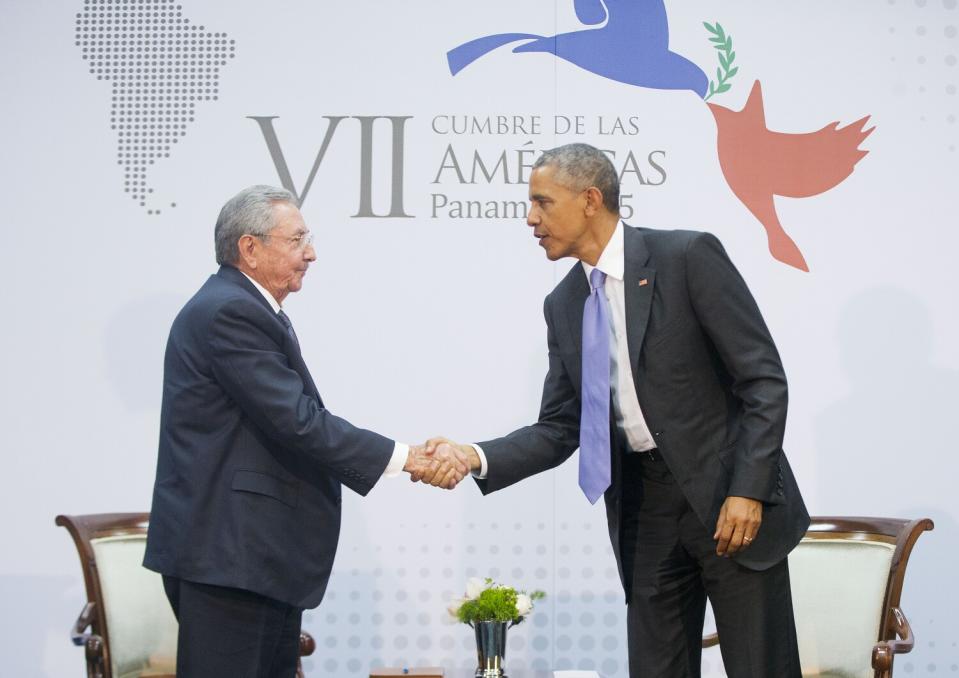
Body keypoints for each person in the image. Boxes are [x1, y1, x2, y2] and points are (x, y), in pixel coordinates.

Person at [422, 144, 810, 677]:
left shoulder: (687, 257)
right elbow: (560, 427)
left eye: (541, 202)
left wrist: (748, 489)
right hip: (643, 511)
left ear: (590, 199)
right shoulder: (563, 304)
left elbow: (763, 381)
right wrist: (473, 455)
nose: (530, 219)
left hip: (728, 503)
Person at [143, 185, 465, 678]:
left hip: (254, 558)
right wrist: (408, 458)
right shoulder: (230, 311)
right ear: (249, 248)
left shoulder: (243, 307)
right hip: (231, 558)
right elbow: (298, 421)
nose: (310, 253)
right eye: (297, 240)